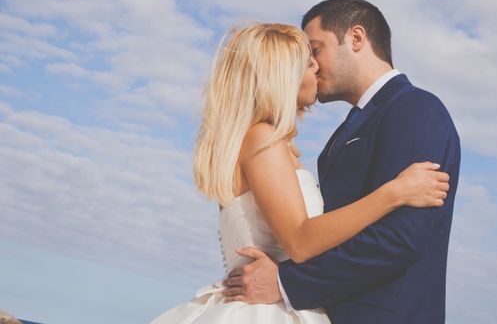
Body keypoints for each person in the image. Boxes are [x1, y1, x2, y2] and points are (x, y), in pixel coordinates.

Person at [150, 22, 450, 323]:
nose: (317, 69)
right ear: (282, 76)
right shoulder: (261, 139)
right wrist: (394, 193)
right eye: (308, 63)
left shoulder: (264, 141)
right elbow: (300, 240)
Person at [222, 0, 461, 324]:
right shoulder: (340, 135)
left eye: (315, 50)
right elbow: (320, 233)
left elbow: (399, 239)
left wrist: (286, 281)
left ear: (357, 38)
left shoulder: (416, 109)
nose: (314, 65)